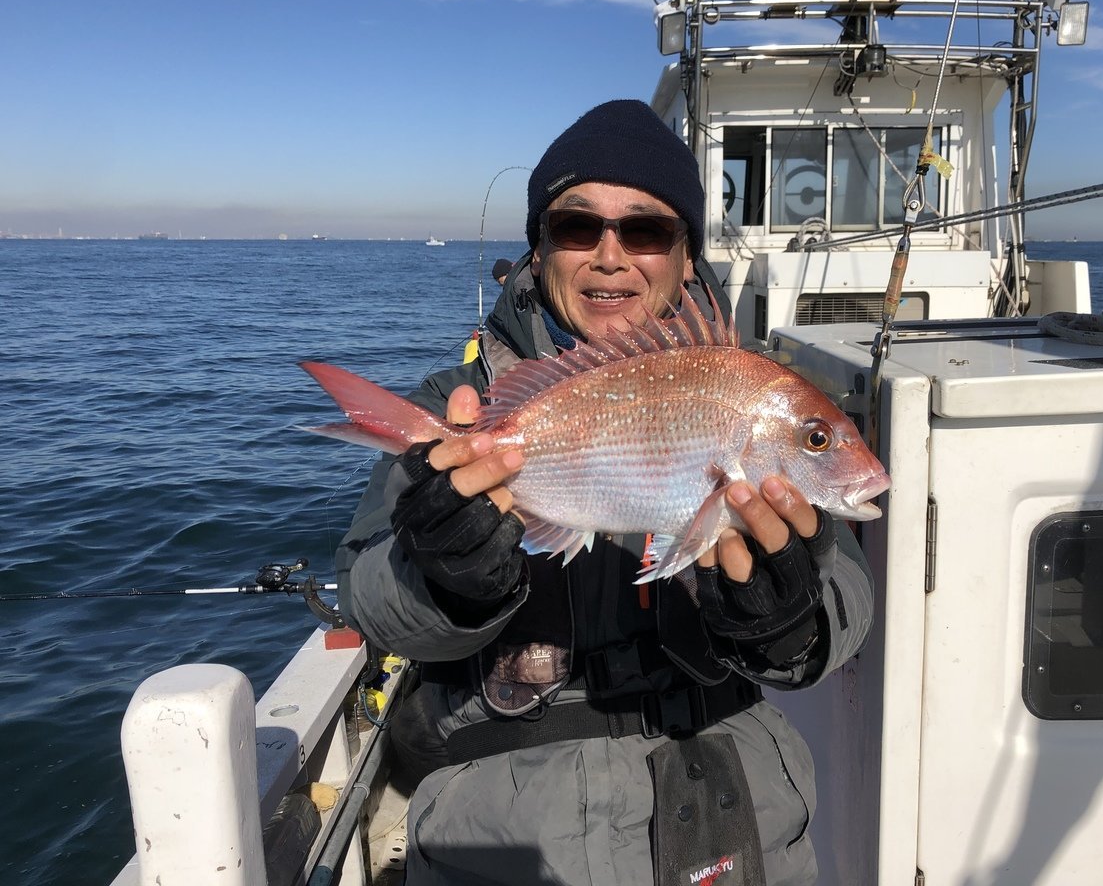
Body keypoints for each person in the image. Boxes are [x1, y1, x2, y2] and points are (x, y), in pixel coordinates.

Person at [336, 99, 875, 886]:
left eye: (647, 230)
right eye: (577, 227)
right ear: (541, 247)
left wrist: (783, 617)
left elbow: (847, 608)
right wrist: (446, 574)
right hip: (502, 830)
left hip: (728, 802)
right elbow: (367, 594)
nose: (611, 257)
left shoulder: (756, 389)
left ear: (687, 255)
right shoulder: (467, 404)